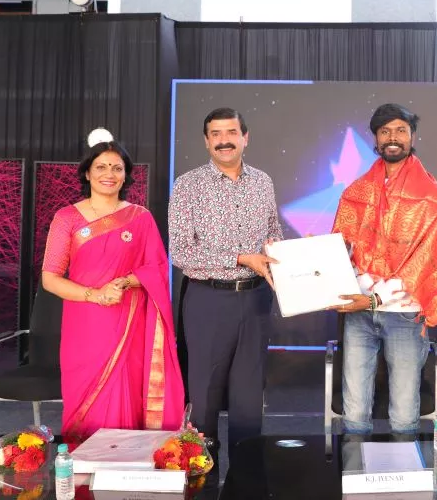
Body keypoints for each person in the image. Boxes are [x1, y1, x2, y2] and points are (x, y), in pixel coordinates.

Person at [330, 103, 437, 434]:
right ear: (375, 138)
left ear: (412, 136)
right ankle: (354, 465)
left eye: (400, 130)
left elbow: (425, 260)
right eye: (385, 131)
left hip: (404, 314)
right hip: (358, 313)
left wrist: (375, 298)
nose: (393, 137)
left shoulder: (429, 195)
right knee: (354, 413)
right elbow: (339, 250)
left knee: (403, 415)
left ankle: (404, 468)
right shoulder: (356, 192)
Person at [42, 141, 184, 441]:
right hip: (85, 323)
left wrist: (124, 282)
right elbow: (50, 278)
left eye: (117, 168)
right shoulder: (66, 218)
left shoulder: (140, 217)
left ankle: (127, 462)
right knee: (86, 393)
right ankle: (84, 465)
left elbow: (157, 268)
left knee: (127, 389)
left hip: (129, 319)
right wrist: (96, 295)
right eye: (101, 167)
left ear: (125, 175)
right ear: (87, 173)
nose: (109, 174)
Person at [169, 107, 281, 456]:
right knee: (204, 394)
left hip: (256, 299)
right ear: (206, 141)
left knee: (249, 396)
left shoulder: (263, 182)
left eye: (231, 132)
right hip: (208, 300)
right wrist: (241, 258)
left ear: (245, 138)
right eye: (215, 134)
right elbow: (181, 252)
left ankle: (246, 475)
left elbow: (273, 232)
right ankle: (202, 474)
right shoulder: (188, 185)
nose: (223, 141)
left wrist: (289, 253)